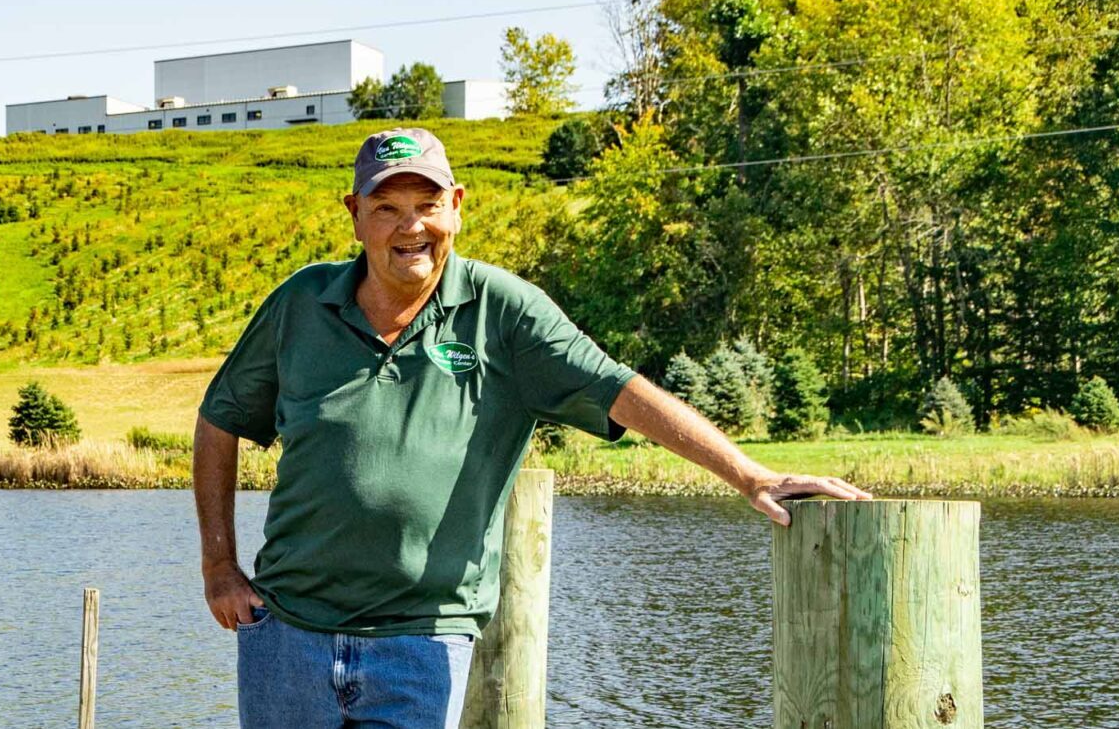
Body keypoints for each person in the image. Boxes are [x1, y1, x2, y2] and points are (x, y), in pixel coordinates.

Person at [190, 126, 868, 729]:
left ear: (457, 204)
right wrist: (220, 563)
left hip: (421, 642)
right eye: (387, 208)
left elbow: (619, 389)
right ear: (355, 215)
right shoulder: (301, 303)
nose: (411, 227)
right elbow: (220, 416)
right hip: (287, 634)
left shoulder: (504, 313)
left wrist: (750, 475)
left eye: (426, 205)